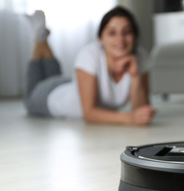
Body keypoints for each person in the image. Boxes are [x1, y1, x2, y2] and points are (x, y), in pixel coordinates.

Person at [24, 6, 155, 125]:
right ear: (100, 39)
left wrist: (135, 75)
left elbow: (141, 111)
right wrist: (129, 118)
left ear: (135, 36)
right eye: (112, 33)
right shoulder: (89, 53)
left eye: (126, 32)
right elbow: (89, 113)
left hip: (69, 84)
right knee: (29, 100)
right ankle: (39, 38)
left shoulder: (140, 57)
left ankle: (41, 35)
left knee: (52, 74)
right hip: (50, 97)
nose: (120, 39)